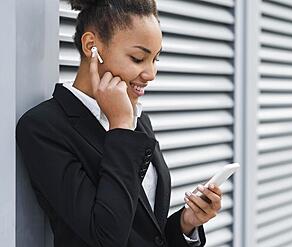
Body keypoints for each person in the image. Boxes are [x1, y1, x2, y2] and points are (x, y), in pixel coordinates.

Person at [15, 0, 223, 246]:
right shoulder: (44, 127)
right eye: (138, 58)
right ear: (91, 46)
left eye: (155, 59)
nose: (151, 73)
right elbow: (106, 236)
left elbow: (143, 233)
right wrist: (121, 127)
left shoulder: (138, 118)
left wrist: (186, 223)